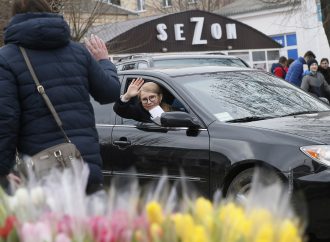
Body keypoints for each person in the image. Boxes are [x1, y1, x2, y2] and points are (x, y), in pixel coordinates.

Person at [0, 0, 120, 194]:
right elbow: (110, 93)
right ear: (50, 11)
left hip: (43, 172)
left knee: (50, 225)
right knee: (88, 224)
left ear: (15, 17)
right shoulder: (79, 52)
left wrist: (3, 170)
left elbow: (5, 119)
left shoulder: (6, 58)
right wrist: (105, 62)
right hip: (85, 165)